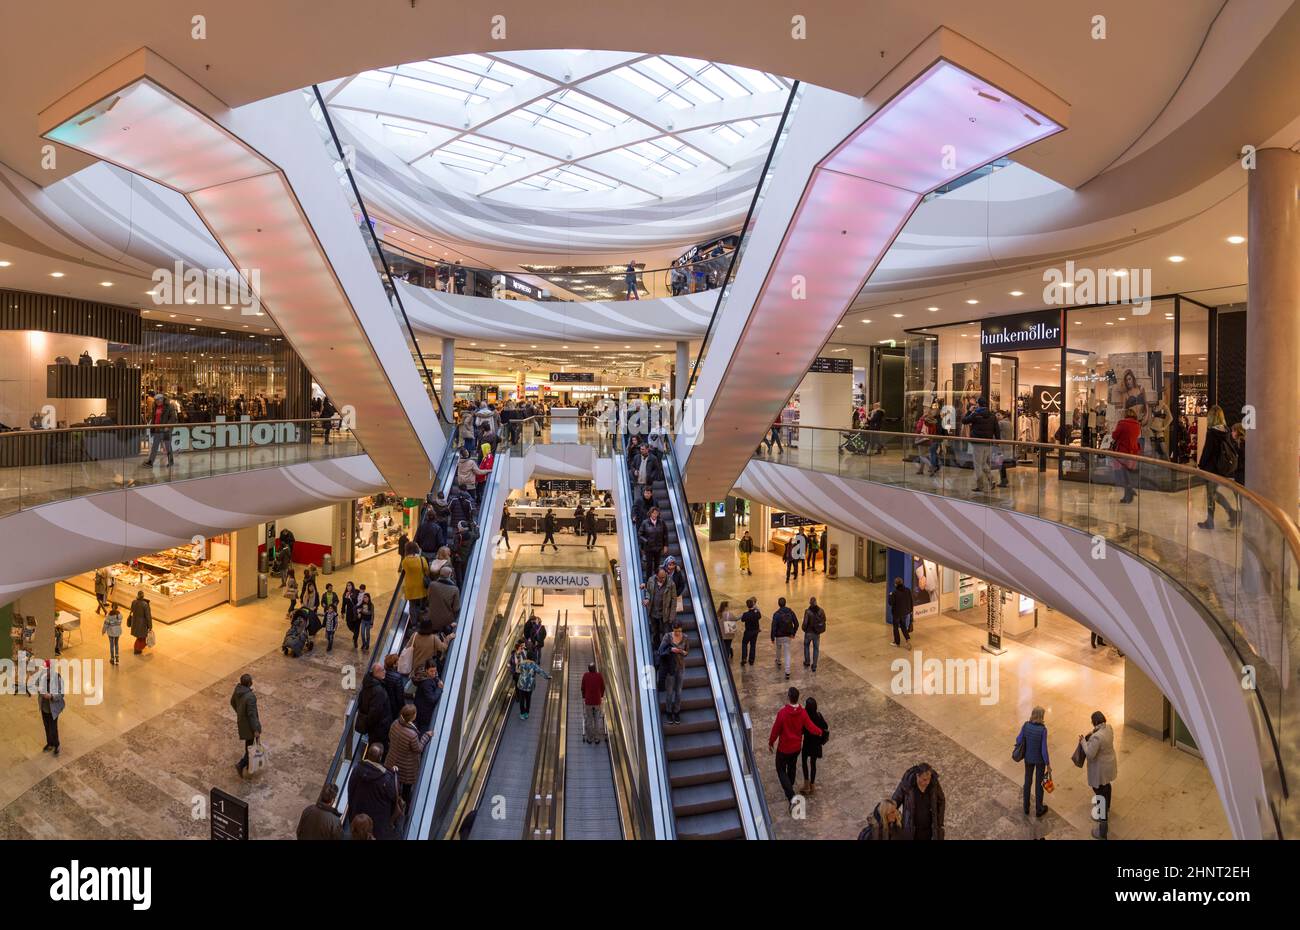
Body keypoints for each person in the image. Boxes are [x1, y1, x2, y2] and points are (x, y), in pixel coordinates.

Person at [768, 687, 822, 812]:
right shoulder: (802, 713)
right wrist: (819, 732)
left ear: (788, 697)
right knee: (792, 766)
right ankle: (790, 785)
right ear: (798, 698)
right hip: (796, 747)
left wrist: (771, 742)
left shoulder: (782, 713)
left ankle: (791, 796)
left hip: (784, 748)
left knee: (780, 769)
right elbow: (811, 726)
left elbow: (776, 729)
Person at [346, 743, 402, 840]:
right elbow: (394, 795)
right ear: (380, 757)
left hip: (358, 814)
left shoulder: (357, 769)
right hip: (378, 820)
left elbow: (350, 789)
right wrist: (394, 774)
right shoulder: (386, 779)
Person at [1197, 407, 1241, 529]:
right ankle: (1230, 513)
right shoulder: (1226, 430)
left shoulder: (1212, 433)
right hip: (1221, 468)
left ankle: (1215, 520)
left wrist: (1200, 466)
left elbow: (1207, 451)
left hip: (1211, 469)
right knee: (1214, 494)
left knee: (1211, 495)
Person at [1079, 710, 1118, 839]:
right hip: (1109, 764)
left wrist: (1083, 742)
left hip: (1100, 768)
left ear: (1095, 722)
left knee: (1099, 790)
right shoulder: (1109, 728)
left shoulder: (1097, 737)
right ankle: (1106, 807)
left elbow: (1090, 754)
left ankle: (1102, 830)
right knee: (1106, 786)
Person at [387, 704, 433, 807]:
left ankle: (393, 802)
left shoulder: (394, 724)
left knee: (393, 783)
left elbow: (390, 737)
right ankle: (403, 806)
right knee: (406, 790)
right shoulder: (412, 734)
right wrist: (426, 736)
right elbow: (418, 749)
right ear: (412, 716)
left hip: (392, 761)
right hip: (406, 767)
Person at [891, 762, 946, 839]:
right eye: (924, 779)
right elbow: (894, 801)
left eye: (929, 779)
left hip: (929, 830)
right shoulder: (907, 784)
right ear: (917, 776)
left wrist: (939, 822)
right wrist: (892, 820)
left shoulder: (933, 783)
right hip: (911, 829)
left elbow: (941, 800)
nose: (927, 782)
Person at [1014, 705, 1051, 817]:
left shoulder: (1026, 725)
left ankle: (1026, 807)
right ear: (1041, 716)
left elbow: (1018, 739)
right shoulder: (1043, 730)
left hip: (1028, 758)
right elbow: (1044, 749)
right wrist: (1048, 764)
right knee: (1039, 784)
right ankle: (1039, 809)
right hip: (1039, 761)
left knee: (1027, 782)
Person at [962, 396, 998, 493]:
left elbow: (964, 420)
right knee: (983, 463)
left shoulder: (975, 414)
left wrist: (969, 411)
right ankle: (992, 479)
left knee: (978, 465)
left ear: (978, 404)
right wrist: (997, 442)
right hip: (988, 443)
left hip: (978, 443)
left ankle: (980, 485)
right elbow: (996, 430)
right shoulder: (992, 415)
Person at [357, 663, 394, 758]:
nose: (385, 672)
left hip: (374, 726)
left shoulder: (368, 682)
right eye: (383, 670)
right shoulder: (378, 691)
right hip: (379, 727)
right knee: (379, 745)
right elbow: (375, 713)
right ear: (377, 673)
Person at [230, 673, 261, 777]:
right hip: (249, 726)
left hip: (242, 723)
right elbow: (252, 715)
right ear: (248, 683)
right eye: (251, 681)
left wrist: (239, 713)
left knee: (249, 745)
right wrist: (256, 729)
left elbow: (232, 702)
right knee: (251, 747)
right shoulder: (250, 697)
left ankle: (248, 765)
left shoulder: (237, 690)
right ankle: (242, 764)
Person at [1111, 403, 1142, 504]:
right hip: (1133, 452)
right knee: (1127, 473)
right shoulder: (1137, 425)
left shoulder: (1122, 423)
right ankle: (1128, 494)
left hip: (1123, 452)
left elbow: (1115, 436)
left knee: (1122, 473)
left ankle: (1129, 492)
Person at [658, 624, 689, 724]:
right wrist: (671, 649)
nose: (677, 633)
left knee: (679, 692)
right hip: (670, 667)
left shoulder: (685, 638)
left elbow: (687, 651)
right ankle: (668, 711)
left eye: (679, 631)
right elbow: (660, 650)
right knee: (670, 692)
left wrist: (683, 652)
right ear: (673, 630)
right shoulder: (667, 637)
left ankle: (676, 711)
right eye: (676, 631)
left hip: (680, 667)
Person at [800, 696, 829, 795]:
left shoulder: (805, 718)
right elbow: (825, 726)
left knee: (804, 761)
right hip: (816, 745)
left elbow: (802, 731)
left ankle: (806, 783)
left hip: (807, 744)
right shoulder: (819, 715)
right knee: (813, 764)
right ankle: (812, 786)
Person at [642, 568, 677, 648]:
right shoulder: (651, 580)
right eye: (661, 577)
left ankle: (665, 649)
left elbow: (674, 600)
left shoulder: (671, 584)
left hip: (665, 614)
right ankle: (656, 645)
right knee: (655, 631)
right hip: (653, 612)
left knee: (666, 633)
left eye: (664, 577)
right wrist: (647, 598)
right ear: (656, 576)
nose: (663, 579)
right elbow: (648, 591)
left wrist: (672, 616)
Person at [141, 391, 177, 467]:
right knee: (154, 446)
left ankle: (171, 461)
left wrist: (168, 426)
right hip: (157, 429)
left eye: (158, 400)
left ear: (162, 399)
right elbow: (154, 418)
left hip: (166, 431)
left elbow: (173, 418)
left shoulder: (170, 406)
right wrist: (152, 426)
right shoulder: (155, 407)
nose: (157, 401)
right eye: (156, 400)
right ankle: (150, 462)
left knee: (167, 446)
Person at [38, 660, 65, 756]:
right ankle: (50, 743)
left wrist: (51, 697)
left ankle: (56, 744)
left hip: (53, 709)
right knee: (46, 727)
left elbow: (61, 694)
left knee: (53, 728)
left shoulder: (57, 678)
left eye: (46, 670)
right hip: (44, 707)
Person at [515, 650, 551, 720]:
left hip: (521, 684)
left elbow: (518, 670)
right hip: (529, 685)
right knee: (528, 699)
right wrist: (547, 677)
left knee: (522, 699)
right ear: (533, 657)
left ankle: (522, 713)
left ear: (527, 656)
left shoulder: (522, 663)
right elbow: (540, 671)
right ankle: (527, 713)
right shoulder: (534, 665)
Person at [400, 542, 431, 622]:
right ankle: (422, 618)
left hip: (410, 587)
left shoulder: (405, 561)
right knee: (422, 603)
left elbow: (404, 569)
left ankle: (414, 623)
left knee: (412, 606)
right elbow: (427, 571)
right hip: (421, 585)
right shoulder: (422, 559)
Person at [770, 597, 798, 679]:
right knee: (787, 653)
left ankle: (778, 660)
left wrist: (772, 637)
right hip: (788, 636)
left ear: (779, 604)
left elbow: (774, 627)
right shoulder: (791, 612)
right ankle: (787, 671)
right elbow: (796, 623)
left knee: (778, 648)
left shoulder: (776, 614)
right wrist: (793, 633)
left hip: (779, 636)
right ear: (785, 603)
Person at [638, 506, 668, 580]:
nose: (655, 515)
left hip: (658, 548)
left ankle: (657, 580)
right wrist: (646, 541)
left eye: (656, 513)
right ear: (650, 513)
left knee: (657, 565)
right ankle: (649, 581)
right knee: (649, 565)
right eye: (653, 513)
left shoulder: (661, 522)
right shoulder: (645, 522)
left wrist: (665, 545)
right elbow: (640, 534)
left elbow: (665, 534)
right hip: (649, 548)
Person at [414, 659, 443, 733]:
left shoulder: (424, 676)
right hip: (424, 711)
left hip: (419, 706)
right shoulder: (426, 683)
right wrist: (439, 689)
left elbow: (435, 677)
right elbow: (432, 699)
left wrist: (437, 680)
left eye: (435, 671)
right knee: (423, 729)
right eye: (431, 671)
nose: (433, 673)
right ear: (426, 670)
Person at [581, 662, 606, 743]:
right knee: (597, 720)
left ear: (588, 669)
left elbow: (582, 688)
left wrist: (584, 697)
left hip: (588, 701)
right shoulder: (599, 676)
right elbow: (603, 687)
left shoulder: (585, 675)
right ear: (595, 669)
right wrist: (601, 696)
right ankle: (597, 738)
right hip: (597, 701)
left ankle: (589, 738)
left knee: (589, 719)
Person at [802, 596, 826, 671]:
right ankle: (814, 665)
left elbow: (805, 623)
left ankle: (807, 662)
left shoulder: (808, 611)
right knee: (816, 648)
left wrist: (804, 629)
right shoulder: (821, 611)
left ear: (810, 603)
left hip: (808, 633)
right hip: (816, 633)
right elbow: (824, 619)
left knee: (806, 646)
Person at [887, 577, 913, 647]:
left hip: (897, 613)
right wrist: (910, 610)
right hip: (905, 612)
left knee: (895, 627)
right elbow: (911, 600)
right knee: (903, 626)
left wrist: (890, 595)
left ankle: (897, 642)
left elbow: (890, 603)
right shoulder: (907, 590)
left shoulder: (894, 593)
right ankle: (907, 638)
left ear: (896, 584)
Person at [129, 590, 153, 655]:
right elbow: (148, 616)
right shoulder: (145, 604)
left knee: (138, 636)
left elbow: (131, 611)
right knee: (141, 637)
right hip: (142, 623)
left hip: (135, 621)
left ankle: (138, 649)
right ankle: (137, 649)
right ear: (143, 596)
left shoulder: (134, 602)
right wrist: (150, 626)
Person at [739, 597, 761, 667]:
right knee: (753, 645)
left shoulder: (745, 614)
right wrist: (756, 609)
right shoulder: (756, 613)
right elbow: (759, 616)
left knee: (744, 643)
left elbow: (742, 620)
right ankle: (751, 660)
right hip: (755, 631)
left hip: (748, 631)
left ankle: (744, 658)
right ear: (753, 604)